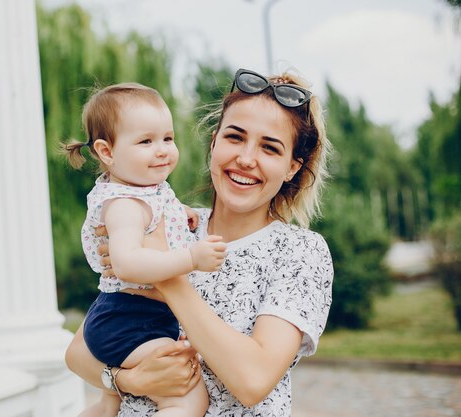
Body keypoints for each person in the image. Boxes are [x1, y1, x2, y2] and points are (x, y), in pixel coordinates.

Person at [65, 68, 334, 417]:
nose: (246, 159)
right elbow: (78, 352)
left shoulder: (300, 253)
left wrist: (168, 277)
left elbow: (252, 381)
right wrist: (128, 382)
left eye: (269, 148)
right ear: (214, 143)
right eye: (235, 137)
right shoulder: (168, 221)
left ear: (292, 168)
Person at [62, 82, 227, 417]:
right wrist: (190, 257)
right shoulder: (124, 205)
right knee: (187, 395)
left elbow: (158, 209)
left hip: (127, 315)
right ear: (107, 152)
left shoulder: (146, 189)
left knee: (110, 403)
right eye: (146, 141)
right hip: (130, 319)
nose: (163, 149)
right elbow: (127, 264)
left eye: (168, 138)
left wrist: (181, 212)